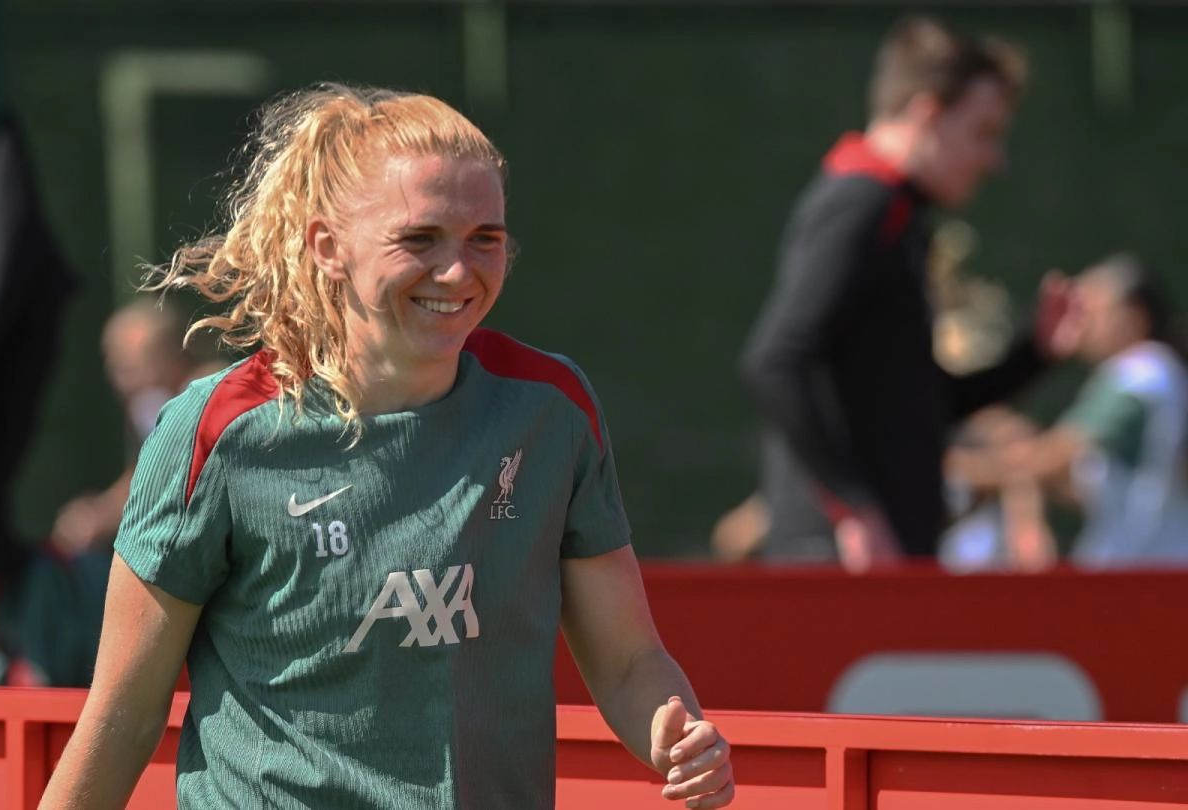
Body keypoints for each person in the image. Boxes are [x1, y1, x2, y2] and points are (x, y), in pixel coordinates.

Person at [40, 83, 734, 809]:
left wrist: (674, 735)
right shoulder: (216, 432)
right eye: (420, 239)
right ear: (327, 248)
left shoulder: (549, 409)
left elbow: (628, 663)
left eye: (485, 239)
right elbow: (123, 715)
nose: (458, 272)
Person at [740, 15, 1074, 571]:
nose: (995, 159)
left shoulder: (896, 215)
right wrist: (854, 510)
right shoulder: (862, 205)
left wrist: (1035, 352)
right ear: (927, 114)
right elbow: (775, 360)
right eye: (984, 132)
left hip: (880, 558)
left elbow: (920, 405)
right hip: (840, 563)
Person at [970, 255, 1188, 567]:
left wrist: (961, 471)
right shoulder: (1160, 372)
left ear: (1132, 316)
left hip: (1144, 573)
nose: (1081, 323)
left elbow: (1053, 457)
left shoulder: (1139, 371)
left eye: (1091, 310)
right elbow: (1089, 484)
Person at [48, 297, 202, 558]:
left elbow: (170, 482)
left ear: (173, 356)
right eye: (115, 366)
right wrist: (97, 513)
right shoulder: (150, 405)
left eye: (129, 367)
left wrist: (104, 517)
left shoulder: (206, 400)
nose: (120, 380)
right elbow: (144, 476)